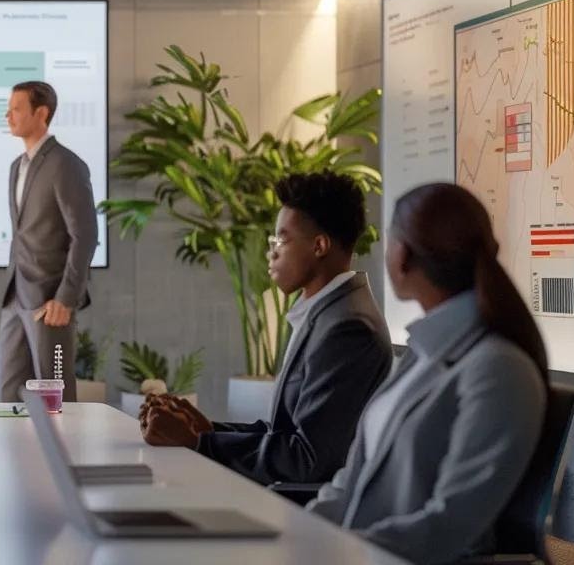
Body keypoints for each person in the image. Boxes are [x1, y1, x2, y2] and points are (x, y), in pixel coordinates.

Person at [307, 182, 548, 564]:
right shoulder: (424, 351)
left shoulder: (498, 370)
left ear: (400, 255)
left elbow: (451, 523)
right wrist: (297, 535)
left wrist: (347, 551)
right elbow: (350, 483)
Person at [140, 172, 392, 488]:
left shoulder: (348, 328)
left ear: (319, 245)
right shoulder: (328, 314)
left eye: (281, 240)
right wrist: (204, 430)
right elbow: (284, 434)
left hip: (304, 515)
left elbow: (307, 459)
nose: (271, 253)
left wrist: (199, 443)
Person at [0, 80, 98, 403]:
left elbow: (85, 234)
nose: (8, 116)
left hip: (49, 303)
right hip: (15, 297)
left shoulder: (65, 165)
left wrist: (66, 298)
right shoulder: (17, 167)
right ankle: (16, 455)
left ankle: (59, 455)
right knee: (9, 394)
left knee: (55, 400)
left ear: (41, 113)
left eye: (16, 109)